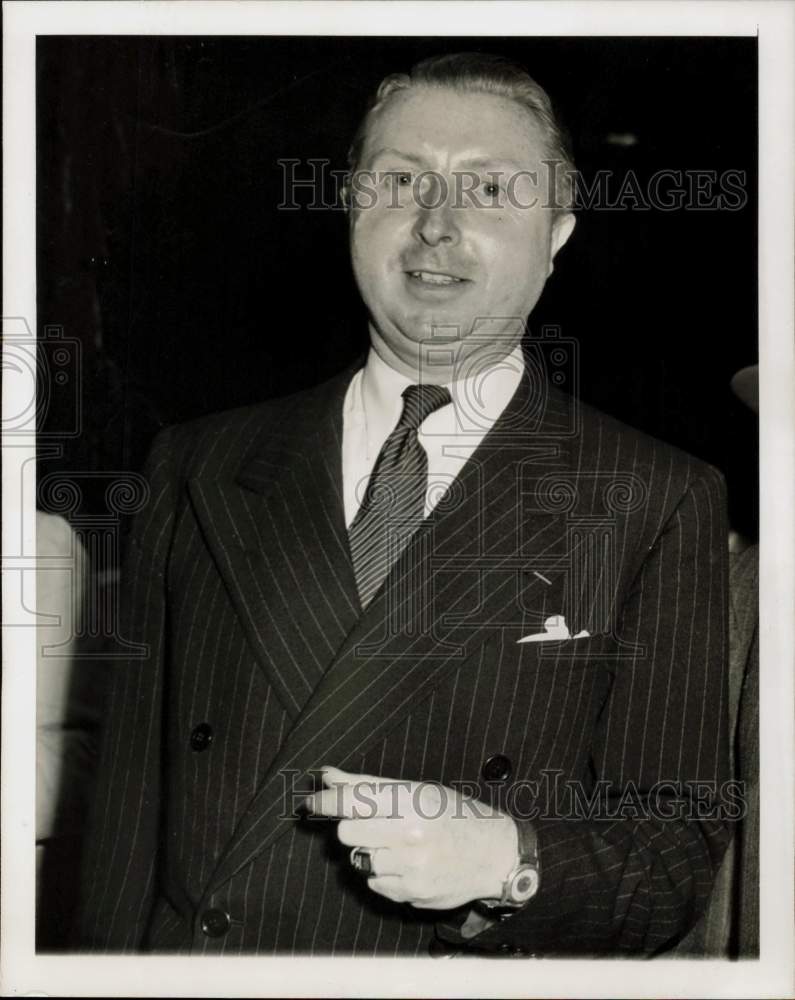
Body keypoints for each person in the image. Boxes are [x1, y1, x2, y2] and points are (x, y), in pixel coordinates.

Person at [76, 52, 731, 957]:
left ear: (557, 234)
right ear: (351, 205)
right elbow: (123, 828)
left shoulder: (658, 496)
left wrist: (508, 860)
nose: (436, 224)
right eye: (400, 180)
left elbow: (671, 861)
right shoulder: (199, 460)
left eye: (490, 189)